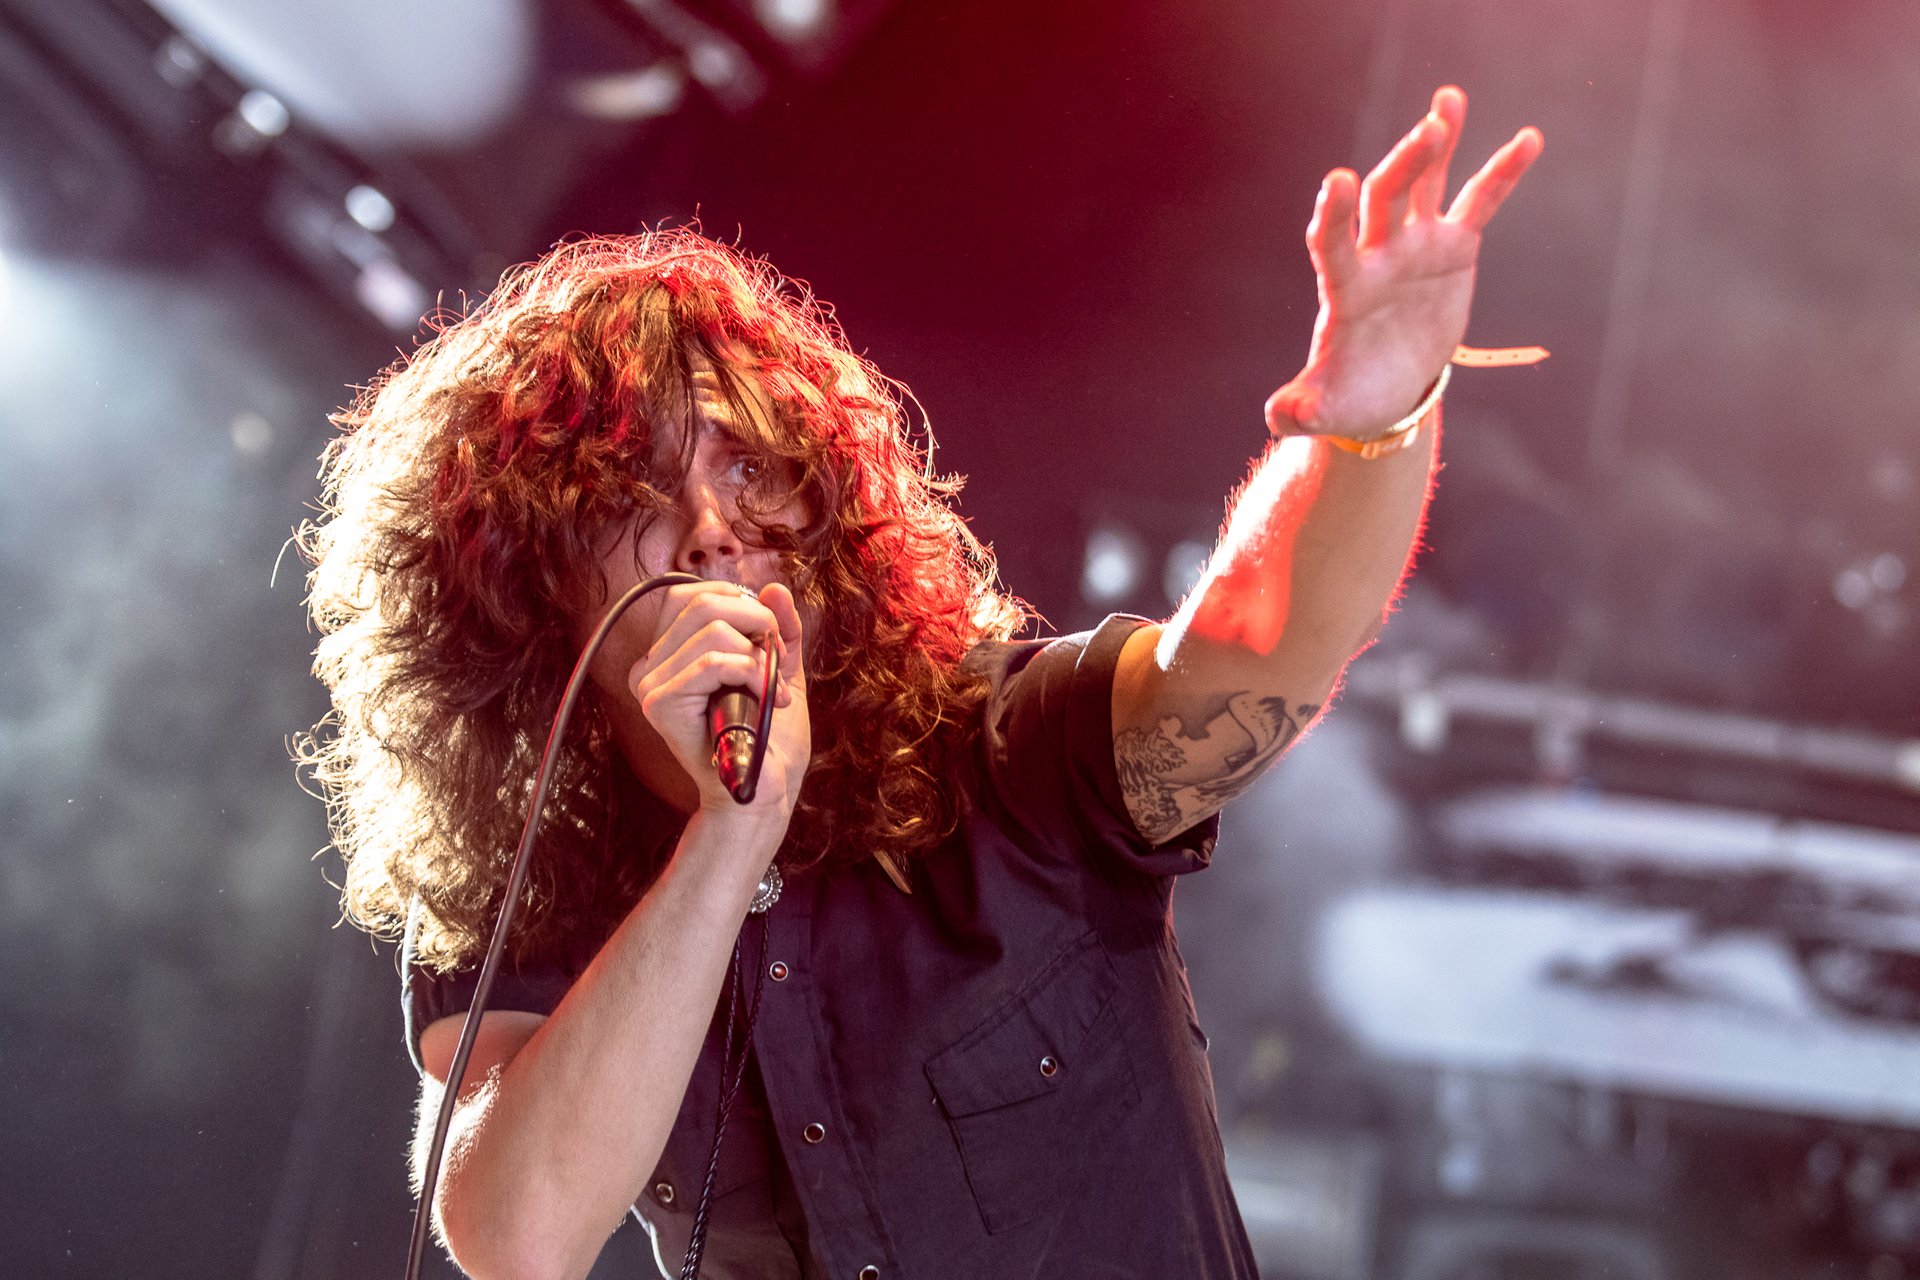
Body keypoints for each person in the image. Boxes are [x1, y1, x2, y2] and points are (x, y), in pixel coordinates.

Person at [299, 85, 1541, 1280]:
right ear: (528, 579)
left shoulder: (1001, 749)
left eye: (752, 472)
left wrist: (1372, 427)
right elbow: (519, 1238)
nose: (710, 532)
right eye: (630, 495)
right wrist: (730, 841)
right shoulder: (538, 872)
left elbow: (1258, 647)